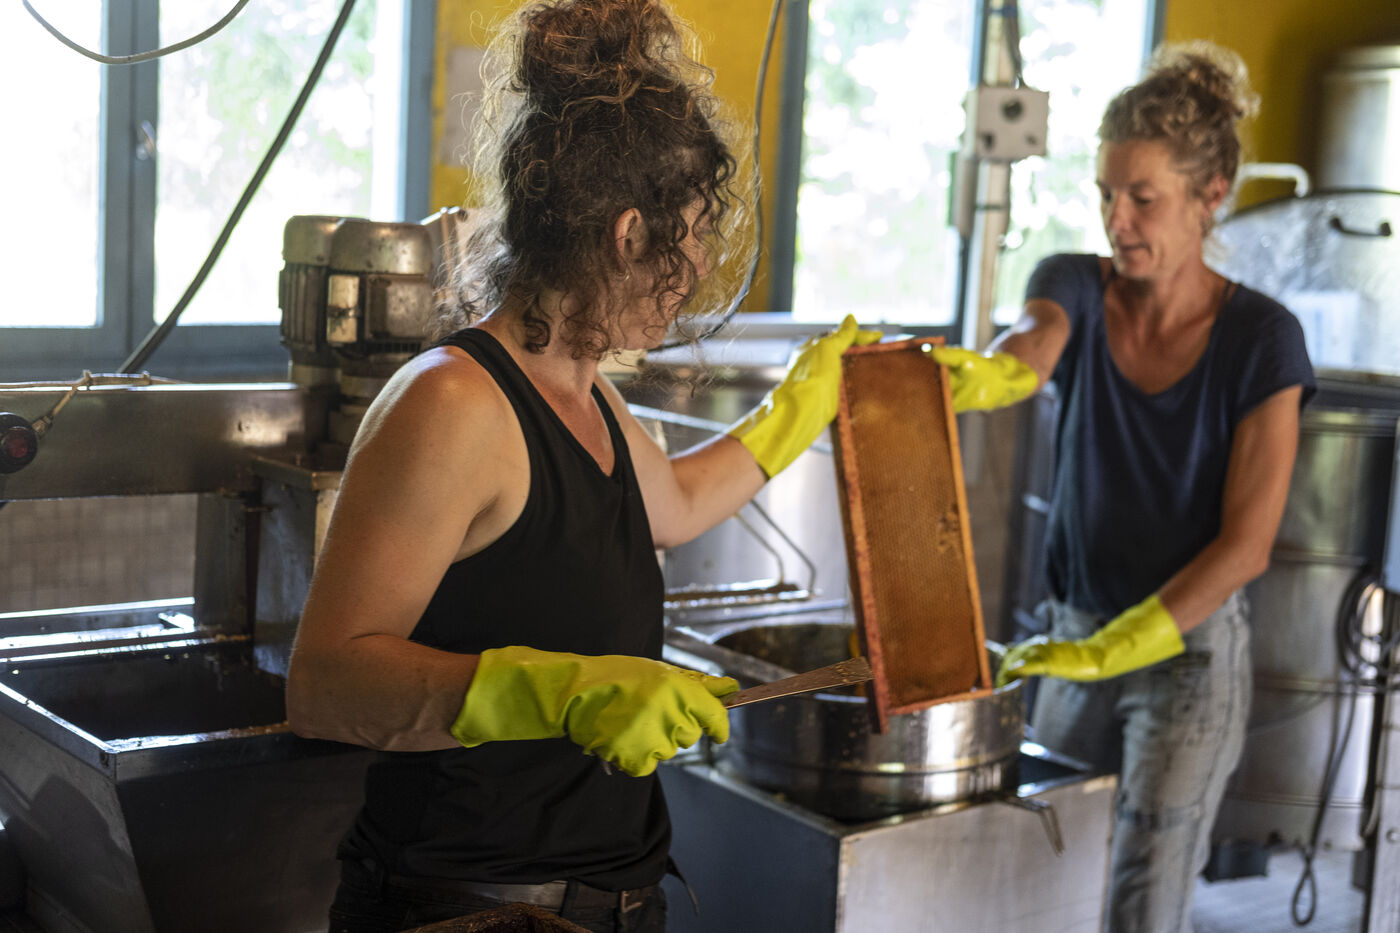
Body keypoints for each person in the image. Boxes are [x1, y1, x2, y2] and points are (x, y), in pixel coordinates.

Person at [285, 2, 878, 931]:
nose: (697, 271)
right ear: (629, 233)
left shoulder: (587, 389)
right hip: (471, 911)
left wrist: (808, 399)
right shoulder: (454, 402)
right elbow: (325, 683)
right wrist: (558, 689)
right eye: (693, 237)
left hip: (612, 903)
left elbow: (676, 504)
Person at [932, 42, 1314, 931]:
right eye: (1107, 194)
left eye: (1144, 198)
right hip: (1073, 639)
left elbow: (1247, 544)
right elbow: (1031, 347)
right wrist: (969, 378)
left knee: (1144, 896)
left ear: (1211, 194)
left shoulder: (1263, 340)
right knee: (1041, 877)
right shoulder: (1075, 282)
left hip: (1187, 660)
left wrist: (1121, 648)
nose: (1118, 220)